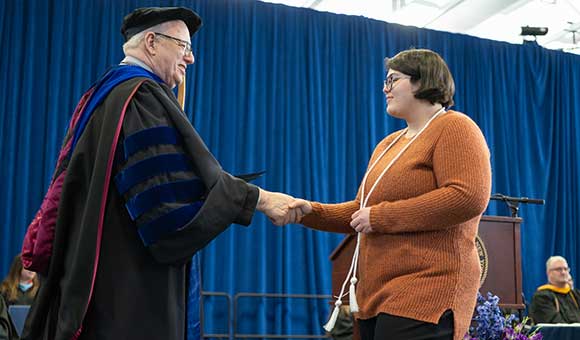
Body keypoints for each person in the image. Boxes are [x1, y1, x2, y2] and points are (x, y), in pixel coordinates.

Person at [21, 7, 294, 340]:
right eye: (184, 47)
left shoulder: (105, 94)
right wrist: (259, 200)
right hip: (129, 292)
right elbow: (166, 208)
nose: (191, 59)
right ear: (151, 42)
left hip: (105, 280)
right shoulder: (139, 98)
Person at [288, 49, 492, 340]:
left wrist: (382, 217)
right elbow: (362, 211)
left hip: (426, 289)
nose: (385, 88)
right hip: (375, 294)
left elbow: (466, 196)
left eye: (393, 80)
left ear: (422, 82)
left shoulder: (455, 127)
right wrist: (309, 212)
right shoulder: (388, 144)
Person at [529, 256, 580, 324]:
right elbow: (555, 325)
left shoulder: (576, 295)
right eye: (559, 269)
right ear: (548, 272)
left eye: (565, 269)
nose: (563, 272)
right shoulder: (541, 297)